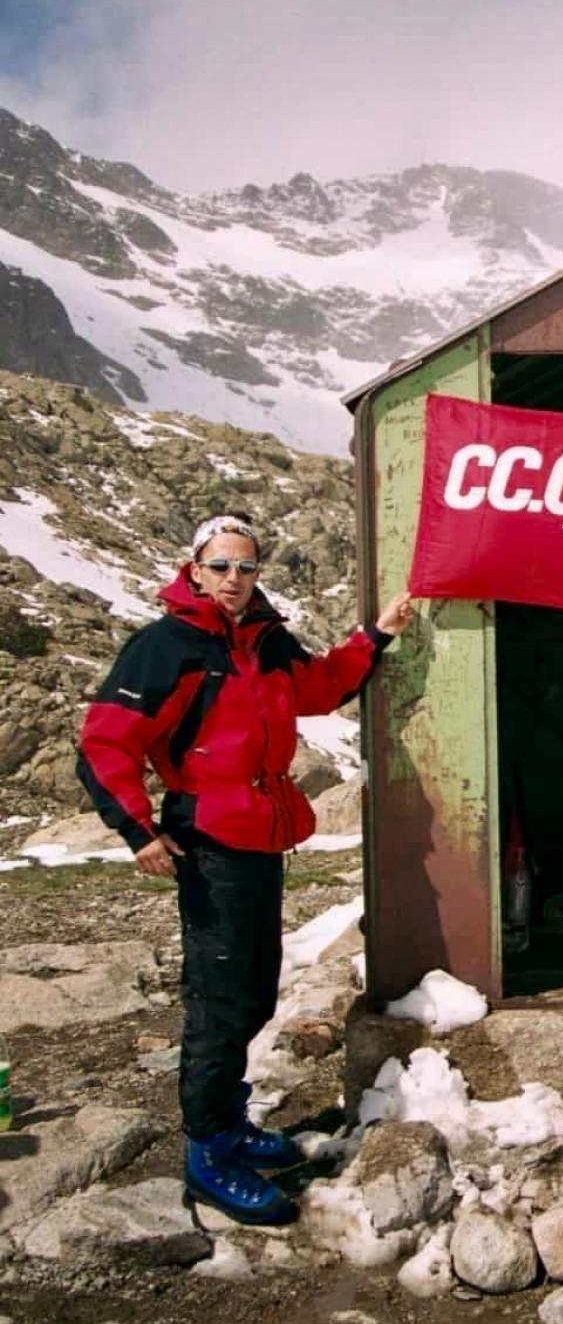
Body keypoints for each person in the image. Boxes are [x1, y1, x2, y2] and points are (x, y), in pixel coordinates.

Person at [77, 513, 412, 1226]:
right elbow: (106, 741)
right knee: (220, 999)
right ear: (194, 569)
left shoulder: (264, 641)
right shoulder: (167, 645)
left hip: (261, 835)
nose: (234, 579)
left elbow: (319, 688)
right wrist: (137, 830)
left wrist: (376, 635)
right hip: (209, 841)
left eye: (246, 567)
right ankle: (206, 1156)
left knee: (255, 988)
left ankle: (228, 1127)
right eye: (221, 566)